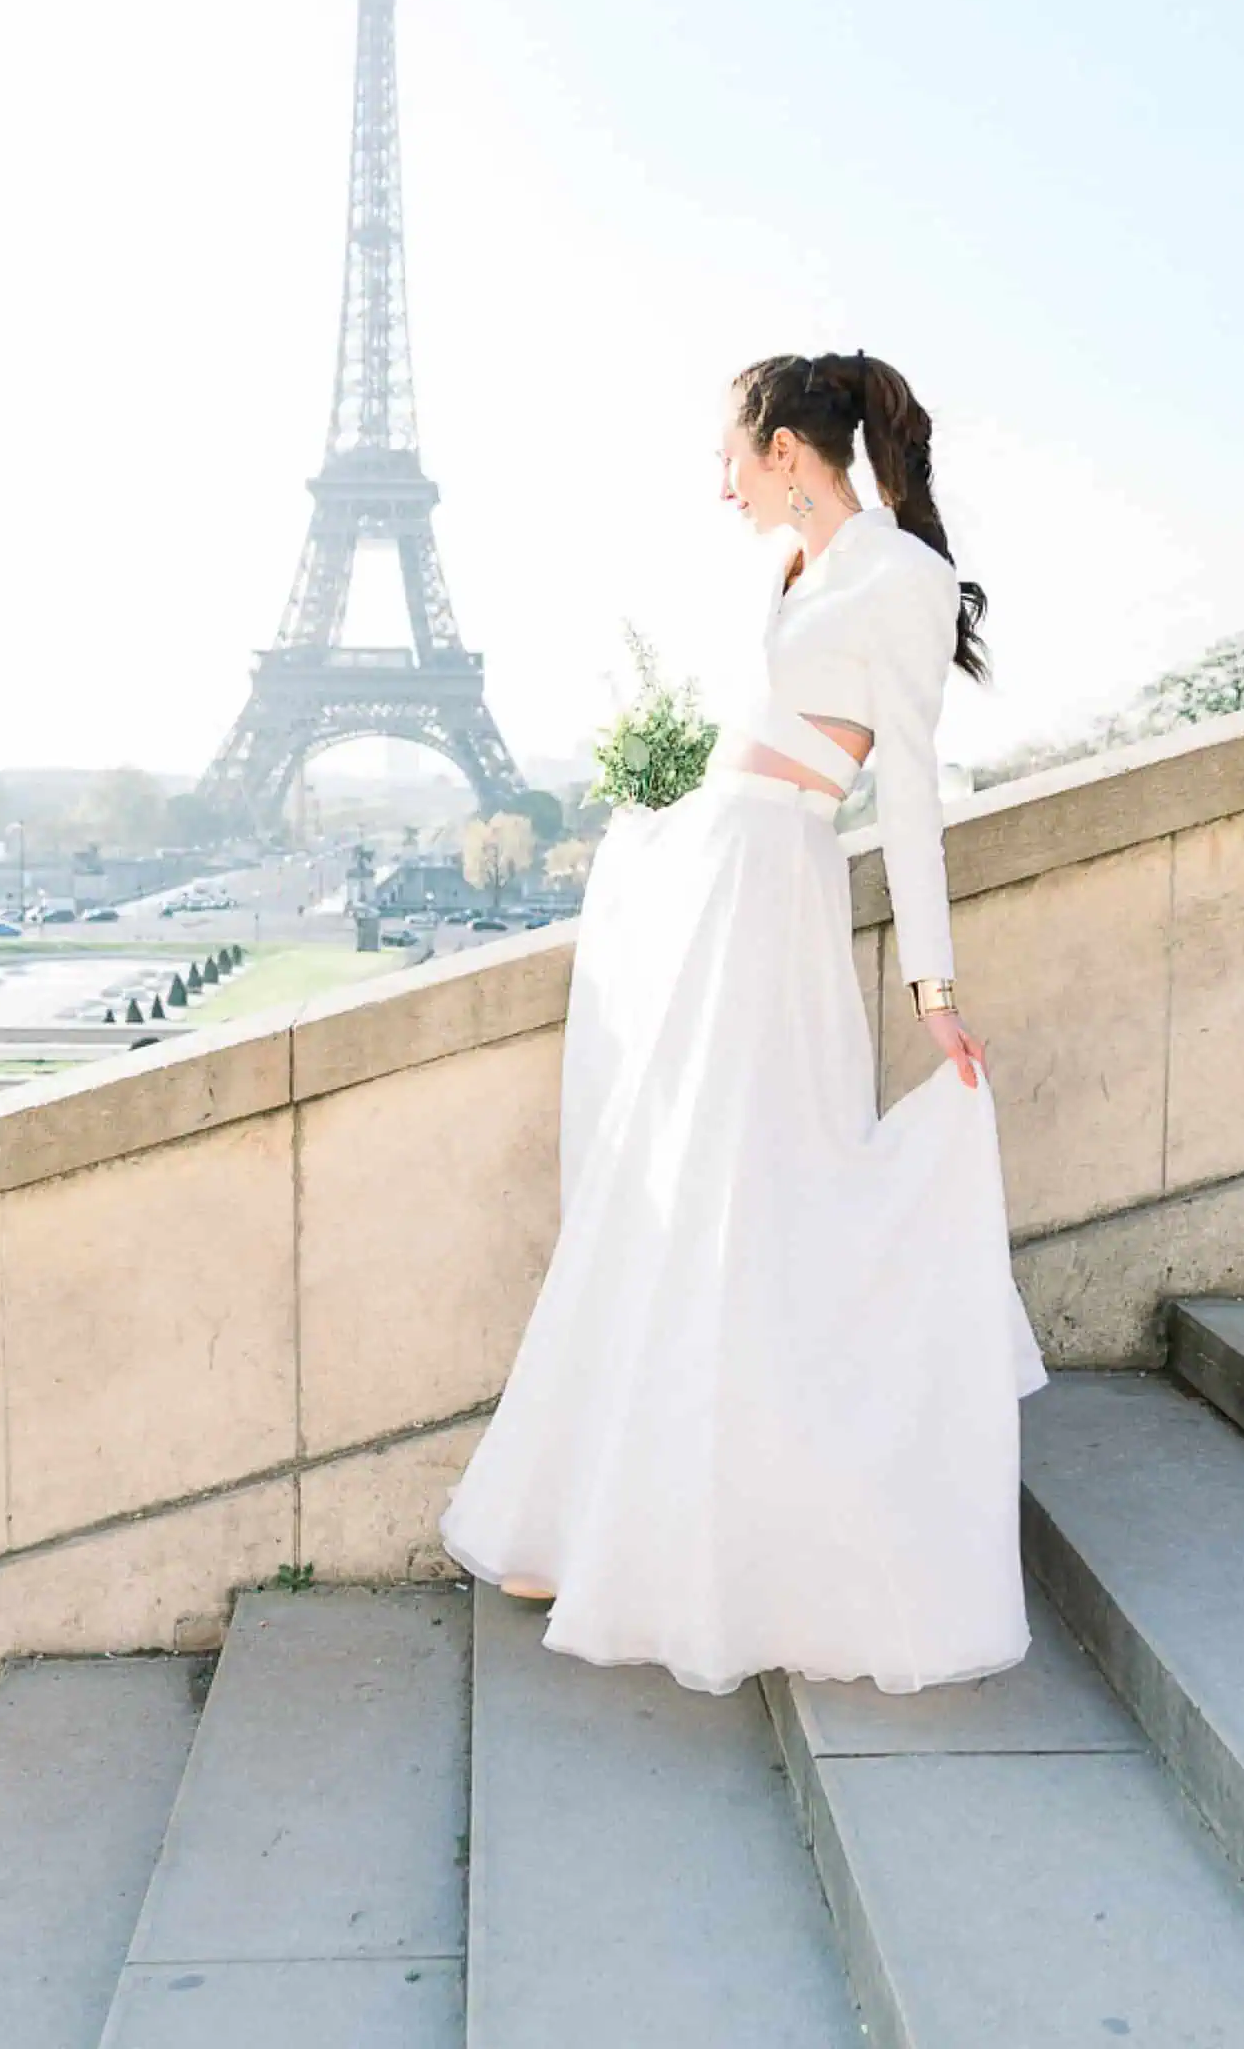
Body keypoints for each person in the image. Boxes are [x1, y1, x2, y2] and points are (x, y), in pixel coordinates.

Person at [439, 350, 1048, 1697]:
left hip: (773, 893)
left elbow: (908, 800)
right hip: (718, 879)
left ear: (788, 446)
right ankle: (614, 1521)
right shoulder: (793, 572)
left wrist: (934, 994)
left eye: (731, 448)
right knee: (672, 1192)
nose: (718, 476)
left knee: (745, 1187)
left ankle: (736, 1534)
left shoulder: (899, 576)